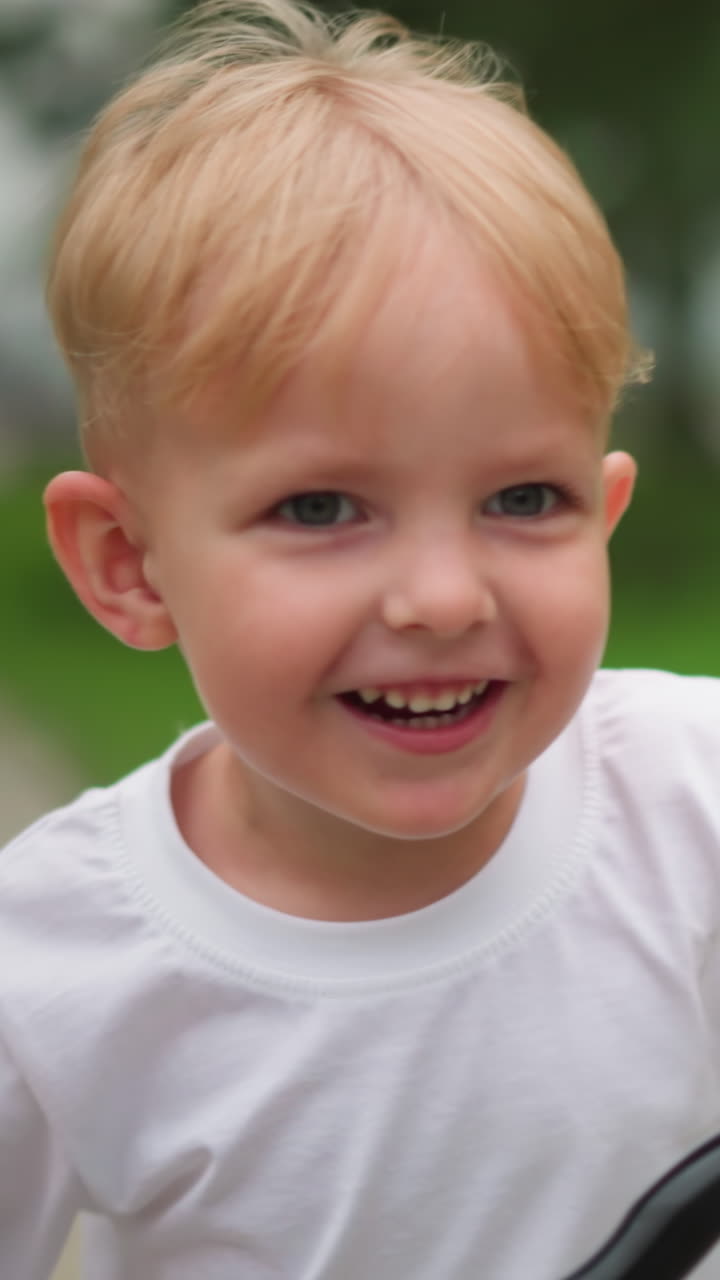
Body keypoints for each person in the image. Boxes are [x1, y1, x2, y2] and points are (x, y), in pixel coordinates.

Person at [2, 1, 719, 1277]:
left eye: (521, 500)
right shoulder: (51, 966)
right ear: (131, 563)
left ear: (603, 517)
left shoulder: (694, 800)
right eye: (321, 507)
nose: (441, 597)